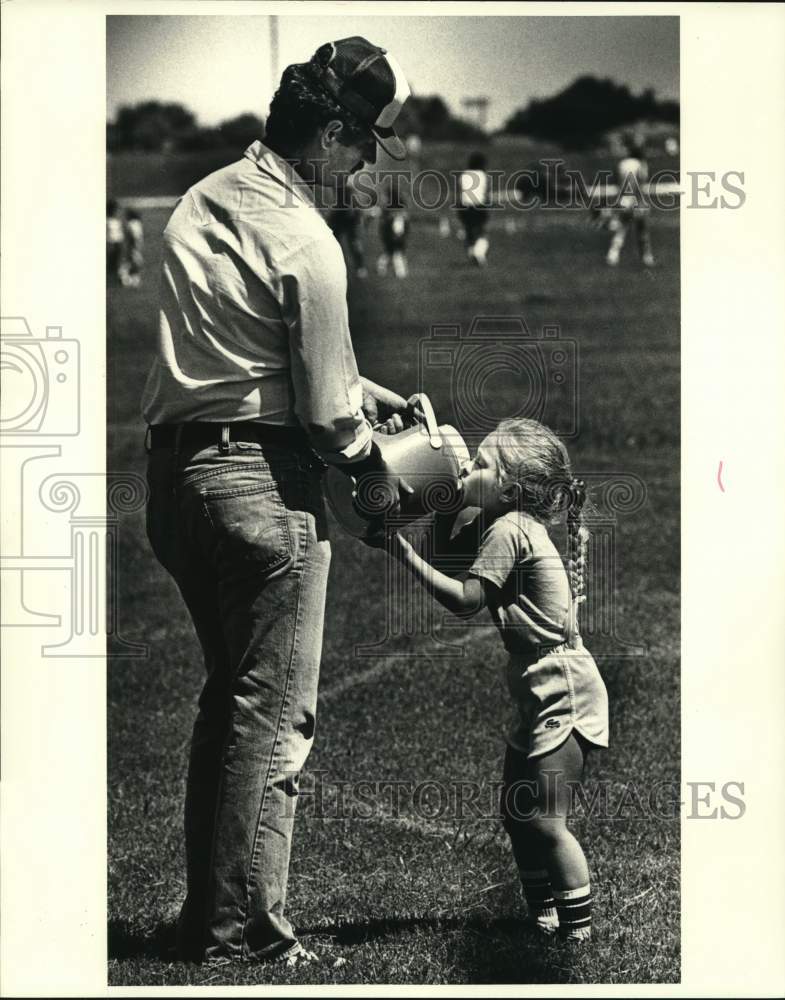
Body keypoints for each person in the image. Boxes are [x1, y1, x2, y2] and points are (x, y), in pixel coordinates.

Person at [141, 36, 412, 967]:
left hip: (176, 479)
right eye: (367, 142)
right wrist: (383, 471)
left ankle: (205, 921)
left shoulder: (204, 196)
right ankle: (243, 939)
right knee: (273, 717)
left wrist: (352, 384)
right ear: (331, 131)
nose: (370, 162)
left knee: (229, 705)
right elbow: (329, 420)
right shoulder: (307, 236)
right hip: (262, 489)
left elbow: (244, 346)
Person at [378, 417, 609, 941]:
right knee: (516, 811)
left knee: (546, 822)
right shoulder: (503, 522)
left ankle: (578, 936)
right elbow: (450, 557)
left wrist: (400, 551)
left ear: (507, 489)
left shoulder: (511, 530)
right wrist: (441, 498)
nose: (468, 467)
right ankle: (544, 918)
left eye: (479, 463)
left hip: (562, 686)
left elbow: (464, 599)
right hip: (539, 681)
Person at [606, 139, 655, 267]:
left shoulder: (622, 164)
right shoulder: (641, 165)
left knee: (621, 229)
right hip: (636, 200)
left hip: (624, 200)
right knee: (642, 230)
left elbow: (617, 183)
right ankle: (647, 258)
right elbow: (640, 184)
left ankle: (613, 255)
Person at [457, 151, 491, 266]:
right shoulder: (483, 176)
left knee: (469, 231)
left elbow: (460, 192)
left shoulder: (464, 175)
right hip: (479, 206)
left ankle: (472, 254)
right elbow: (486, 193)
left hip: (464, 207)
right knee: (482, 232)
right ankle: (478, 253)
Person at [326, 190, 368, 278]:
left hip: (347, 220)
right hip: (344, 219)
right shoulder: (345, 192)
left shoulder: (345, 192)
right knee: (347, 243)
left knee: (352, 244)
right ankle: (359, 267)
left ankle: (359, 267)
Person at [376, 195, 409, 278]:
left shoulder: (392, 216)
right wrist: (398, 236)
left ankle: (381, 268)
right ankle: (400, 272)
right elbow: (398, 229)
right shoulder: (398, 217)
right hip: (395, 238)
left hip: (392, 237)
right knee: (396, 254)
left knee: (388, 253)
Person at [123, 208, 145, 287]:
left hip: (133, 246)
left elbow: (134, 236)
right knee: (135, 262)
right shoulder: (138, 223)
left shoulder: (131, 224)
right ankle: (134, 280)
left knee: (133, 261)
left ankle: (129, 280)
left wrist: (133, 245)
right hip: (137, 245)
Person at [106, 199, 125, 284]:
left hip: (118, 243)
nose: (117, 212)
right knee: (111, 260)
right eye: (116, 210)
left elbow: (120, 233)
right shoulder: (107, 221)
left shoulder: (117, 221)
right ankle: (111, 277)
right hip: (110, 243)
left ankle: (116, 277)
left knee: (118, 260)